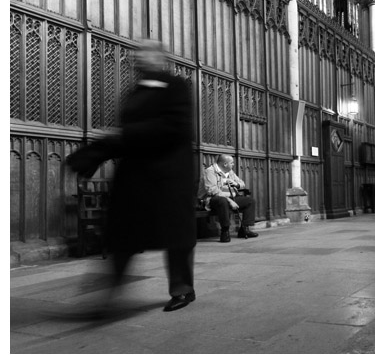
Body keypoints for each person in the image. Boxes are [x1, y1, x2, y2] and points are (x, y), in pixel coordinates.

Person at [66, 39, 197, 313]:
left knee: (176, 237)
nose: (138, 58)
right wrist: (103, 150)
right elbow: (129, 134)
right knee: (122, 234)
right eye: (136, 54)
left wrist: (111, 143)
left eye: (145, 53)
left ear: (160, 58)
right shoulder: (135, 91)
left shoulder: (176, 86)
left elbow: (173, 128)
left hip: (169, 176)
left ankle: (182, 289)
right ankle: (108, 294)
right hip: (136, 176)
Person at [198, 154, 258, 242]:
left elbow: (242, 183)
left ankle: (244, 229)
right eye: (232, 163)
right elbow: (212, 191)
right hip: (212, 199)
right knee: (223, 201)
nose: (233, 164)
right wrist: (229, 200)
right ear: (225, 164)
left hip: (231, 197)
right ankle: (225, 231)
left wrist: (235, 184)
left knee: (249, 201)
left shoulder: (229, 172)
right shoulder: (210, 171)